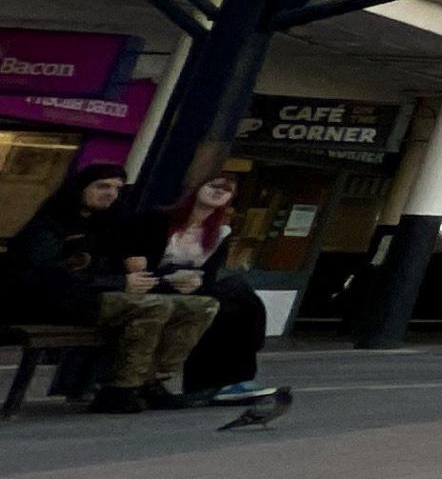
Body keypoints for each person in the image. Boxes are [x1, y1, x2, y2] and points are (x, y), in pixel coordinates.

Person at [3, 168, 217, 412]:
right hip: (48, 302)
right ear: (81, 189)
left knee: (202, 306)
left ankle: (152, 381)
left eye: (117, 188)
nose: (111, 193)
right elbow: (43, 275)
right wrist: (119, 283)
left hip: (96, 296)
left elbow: (116, 264)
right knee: (155, 306)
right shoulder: (50, 225)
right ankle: (121, 389)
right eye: (102, 186)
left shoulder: (110, 224)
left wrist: (159, 277)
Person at [156, 172, 272, 399]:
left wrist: (196, 282)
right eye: (214, 185)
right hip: (157, 283)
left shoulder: (219, 233)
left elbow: (209, 275)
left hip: (192, 288)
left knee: (237, 299)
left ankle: (230, 381)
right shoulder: (162, 221)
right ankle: (225, 380)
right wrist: (169, 277)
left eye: (226, 190)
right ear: (197, 187)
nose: (219, 191)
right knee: (236, 296)